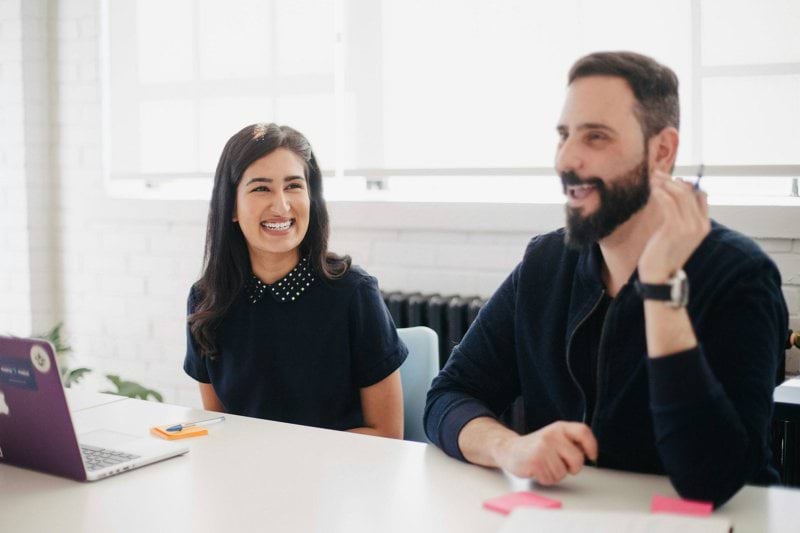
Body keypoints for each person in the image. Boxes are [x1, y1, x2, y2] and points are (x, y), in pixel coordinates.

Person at [424, 51, 788, 506]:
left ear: (661, 151)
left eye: (596, 137)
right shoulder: (546, 262)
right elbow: (448, 396)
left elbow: (711, 481)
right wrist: (511, 447)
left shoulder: (740, 276)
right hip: (570, 515)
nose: (567, 159)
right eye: (563, 135)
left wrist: (661, 290)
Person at [185, 123, 407, 439]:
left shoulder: (353, 293)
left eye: (293, 186)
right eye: (261, 188)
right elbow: (221, 428)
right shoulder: (207, 299)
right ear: (231, 206)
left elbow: (387, 434)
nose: (281, 206)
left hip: (342, 479)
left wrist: (286, 459)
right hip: (248, 477)